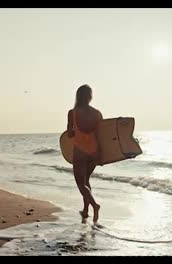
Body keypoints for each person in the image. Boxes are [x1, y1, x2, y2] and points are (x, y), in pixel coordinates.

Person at [66, 84, 103, 227]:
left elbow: (69, 133)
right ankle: (86, 210)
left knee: (81, 184)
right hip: (94, 152)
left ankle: (94, 205)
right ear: (90, 96)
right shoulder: (97, 113)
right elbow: (101, 135)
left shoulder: (72, 113)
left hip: (80, 152)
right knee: (86, 181)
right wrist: (101, 155)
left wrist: (75, 132)